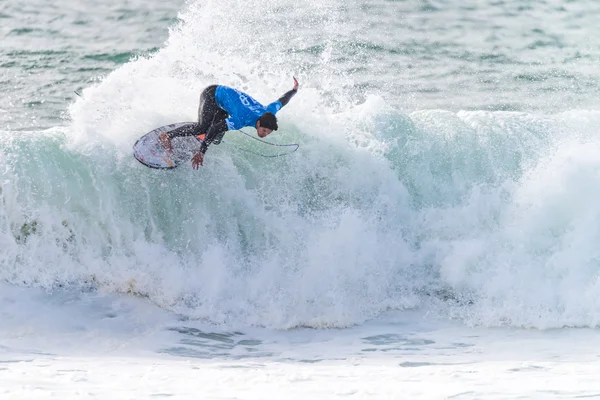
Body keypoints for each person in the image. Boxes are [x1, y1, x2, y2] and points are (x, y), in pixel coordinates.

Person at [159, 77, 299, 169]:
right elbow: (215, 127)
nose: (264, 134)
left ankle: (203, 136)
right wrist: (201, 152)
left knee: (217, 139)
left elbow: (282, 101)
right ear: (258, 124)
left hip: (224, 104)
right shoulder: (241, 120)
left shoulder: (269, 112)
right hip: (212, 94)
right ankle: (167, 135)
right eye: (263, 131)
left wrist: (294, 90)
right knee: (202, 128)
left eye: (267, 133)